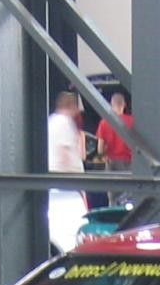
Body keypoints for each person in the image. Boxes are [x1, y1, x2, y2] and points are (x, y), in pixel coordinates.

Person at [47, 90, 86, 252]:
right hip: (67, 189)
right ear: (72, 106)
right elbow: (64, 154)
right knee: (74, 233)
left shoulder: (51, 121)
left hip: (55, 187)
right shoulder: (64, 123)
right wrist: (77, 184)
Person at [95, 91, 134, 173]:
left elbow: (100, 149)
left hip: (111, 162)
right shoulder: (132, 121)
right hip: (128, 162)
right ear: (124, 105)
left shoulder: (104, 122)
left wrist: (103, 155)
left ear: (111, 105)